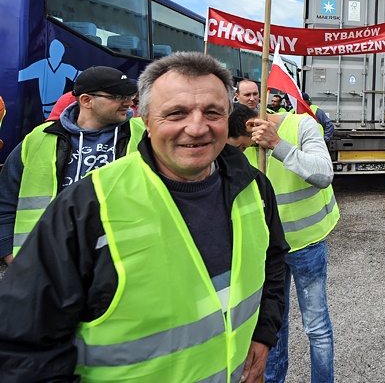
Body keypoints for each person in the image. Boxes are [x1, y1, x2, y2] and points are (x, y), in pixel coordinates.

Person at [0, 51, 289, 382]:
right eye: (176, 113)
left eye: (212, 112)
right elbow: (25, 350)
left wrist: (264, 334)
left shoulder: (254, 187)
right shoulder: (87, 206)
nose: (196, 128)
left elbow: (273, 262)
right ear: (146, 121)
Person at [227, 100, 337, 383]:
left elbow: (324, 174)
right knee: (272, 326)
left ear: (252, 126)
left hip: (306, 244)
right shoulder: (239, 142)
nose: (240, 152)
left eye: (241, 146)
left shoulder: (302, 125)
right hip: (267, 249)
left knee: (316, 327)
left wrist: (277, 144)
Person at [0, 66, 145, 264]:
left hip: (121, 264)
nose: (129, 103)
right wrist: (13, 258)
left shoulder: (147, 136)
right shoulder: (38, 139)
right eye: (118, 96)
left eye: (131, 96)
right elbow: (6, 202)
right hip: (43, 265)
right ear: (86, 100)